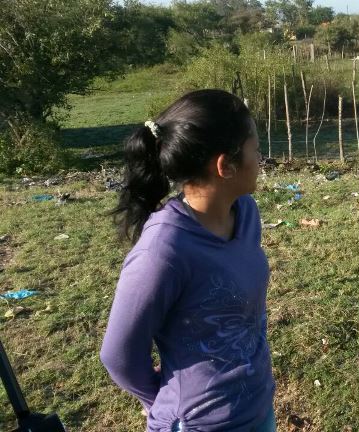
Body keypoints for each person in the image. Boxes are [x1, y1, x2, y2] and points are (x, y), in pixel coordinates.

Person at [100, 89, 275, 432]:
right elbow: (118, 356)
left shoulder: (245, 214)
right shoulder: (164, 250)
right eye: (256, 149)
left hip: (256, 408)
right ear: (225, 166)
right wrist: (170, 404)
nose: (261, 158)